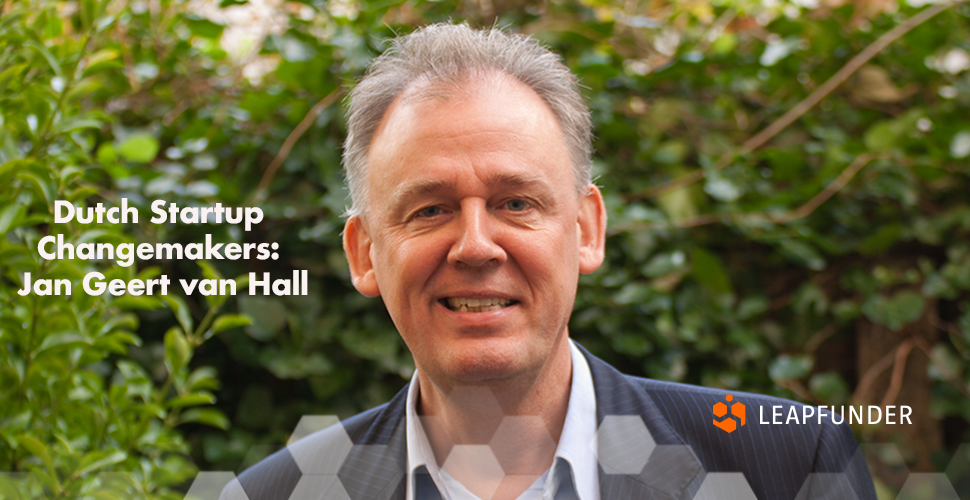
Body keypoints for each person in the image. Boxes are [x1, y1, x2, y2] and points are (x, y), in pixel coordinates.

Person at [222, 23, 877, 500]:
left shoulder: (790, 465)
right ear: (364, 254)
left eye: (515, 202)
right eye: (430, 209)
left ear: (586, 230)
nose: (475, 245)